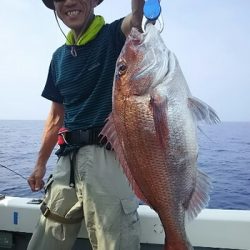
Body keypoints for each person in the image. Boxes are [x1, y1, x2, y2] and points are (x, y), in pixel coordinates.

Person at [27, 0, 145, 249]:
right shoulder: (58, 57)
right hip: (66, 162)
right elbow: (55, 117)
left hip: (108, 157)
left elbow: (136, 18)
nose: (69, 2)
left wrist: (139, 10)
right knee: (45, 239)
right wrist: (40, 165)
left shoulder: (114, 35)